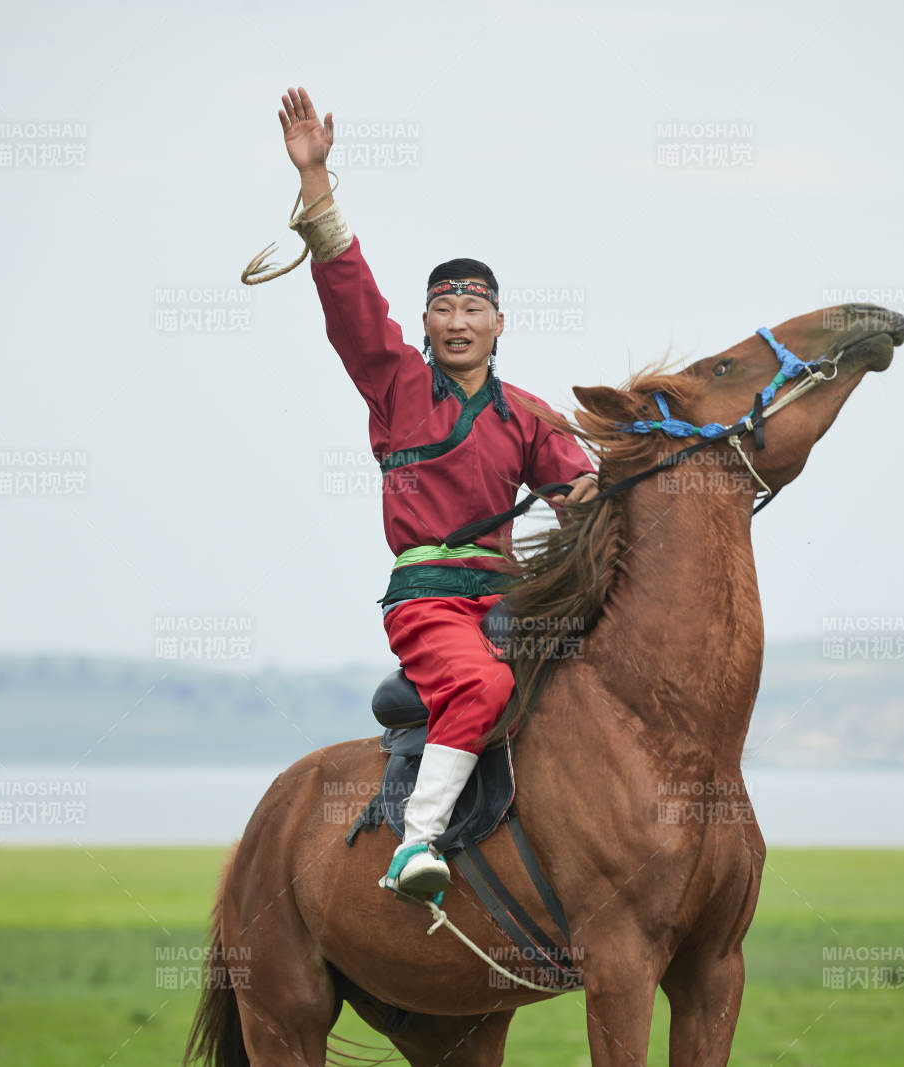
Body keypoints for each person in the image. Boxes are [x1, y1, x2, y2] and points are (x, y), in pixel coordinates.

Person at [273, 86, 598, 897]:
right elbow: (350, 295)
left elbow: (583, 499)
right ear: (422, 324)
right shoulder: (395, 386)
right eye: (442, 306)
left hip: (510, 598)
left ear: (498, 323)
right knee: (484, 685)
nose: (457, 317)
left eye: (473, 306)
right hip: (428, 601)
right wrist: (316, 179)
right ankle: (415, 845)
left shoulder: (529, 413)